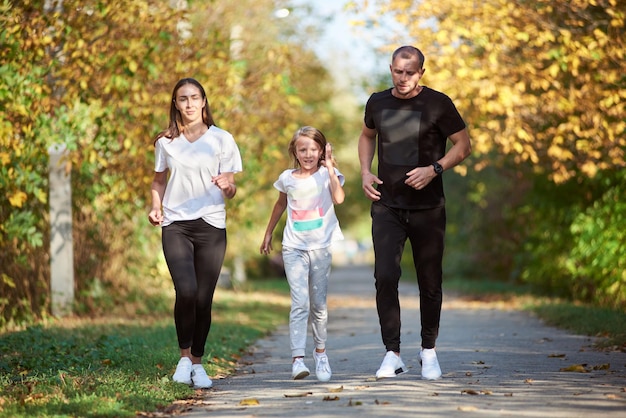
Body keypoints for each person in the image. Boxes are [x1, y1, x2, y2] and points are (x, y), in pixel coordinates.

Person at [358, 46, 471, 380]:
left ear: (421, 72)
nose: (403, 78)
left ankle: (428, 351)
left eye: (409, 72)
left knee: (429, 280)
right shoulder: (377, 102)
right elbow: (367, 136)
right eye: (397, 71)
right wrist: (365, 171)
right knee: (386, 277)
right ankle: (391, 353)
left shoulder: (438, 103)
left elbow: (463, 146)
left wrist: (434, 168)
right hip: (387, 204)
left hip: (428, 208)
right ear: (390, 69)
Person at [148, 77, 242, 389]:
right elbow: (158, 181)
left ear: (204, 102)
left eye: (194, 98)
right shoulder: (166, 142)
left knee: (203, 297)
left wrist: (227, 186)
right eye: (182, 99)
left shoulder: (222, 139)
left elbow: (231, 187)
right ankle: (184, 357)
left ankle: (198, 363)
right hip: (175, 222)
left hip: (211, 224)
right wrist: (155, 206)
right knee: (185, 290)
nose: (189, 104)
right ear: (175, 104)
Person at [260, 126, 345, 382]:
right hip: (293, 247)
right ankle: (297, 359)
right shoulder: (287, 177)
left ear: (321, 150)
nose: (308, 154)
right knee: (300, 304)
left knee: (318, 306)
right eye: (302, 149)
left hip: (320, 248)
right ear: (295, 152)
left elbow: (339, 198)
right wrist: (268, 233)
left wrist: (330, 167)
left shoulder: (326, 174)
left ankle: (321, 354)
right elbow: (280, 204)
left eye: (313, 149)